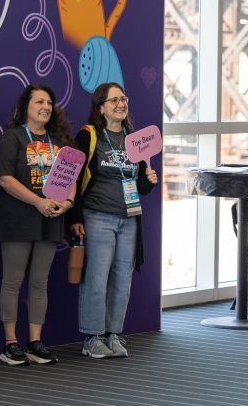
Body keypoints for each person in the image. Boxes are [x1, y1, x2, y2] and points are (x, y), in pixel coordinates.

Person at [67, 82, 158, 359]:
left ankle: (113, 334)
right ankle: (92, 338)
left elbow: (139, 186)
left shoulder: (134, 139)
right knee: (96, 277)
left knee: (122, 279)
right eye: (114, 99)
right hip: (97, 217)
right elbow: (72, 177)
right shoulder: (89, 136)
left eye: (124, 98)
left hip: (129, 219)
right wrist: (74, 217)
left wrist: (149, 182)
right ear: (101, 107)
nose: (121, 103)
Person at [0, 84, 75, 365]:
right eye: (39, 101)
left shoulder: (58, 141)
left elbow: (70, 179)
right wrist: (37, 202)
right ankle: (11, 343)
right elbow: (5, 179)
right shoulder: (12, 138)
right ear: (25, 107)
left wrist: (67, 203)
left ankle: (35, 342)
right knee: (13, 281)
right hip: (18, 219)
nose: (46, 106)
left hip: (50, 220)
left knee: (40, 282)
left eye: (50, 102)